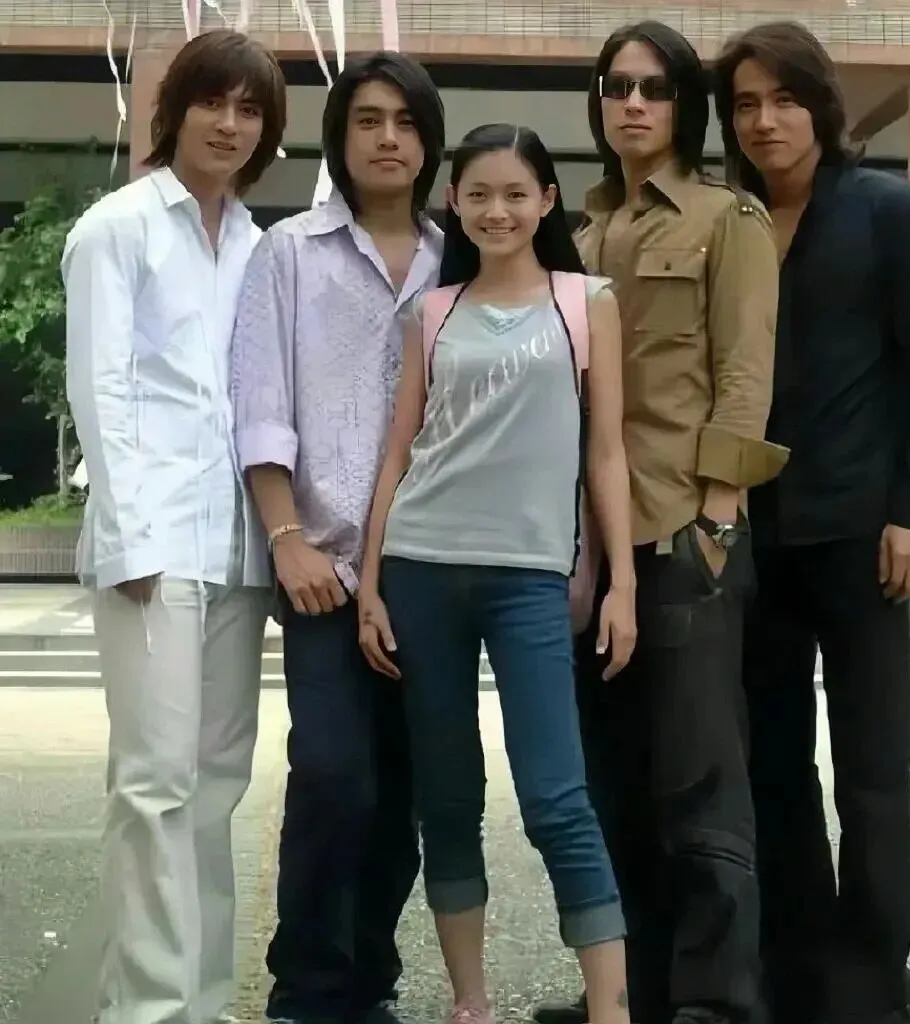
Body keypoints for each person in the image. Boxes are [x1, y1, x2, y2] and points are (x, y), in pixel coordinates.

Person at [533, 21, 787, 1024]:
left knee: (699, 787)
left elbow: (745, 374)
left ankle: (715, 1002)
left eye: (653, 88)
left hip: (684, 536)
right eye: (616, 88)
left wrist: (717, 518)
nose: (632, 104)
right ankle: (630, 993)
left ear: (685, 105)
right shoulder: (581, 231)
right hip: (588, 549)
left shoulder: (729, 219)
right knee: (610, 784)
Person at [356, 122, 637, 1024]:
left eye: (517, 193)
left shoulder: (586, 302)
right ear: (454, 203)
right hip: (422, 567)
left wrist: (621, 583)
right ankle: (470, 1004)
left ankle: (611, 1010)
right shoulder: (431, 313)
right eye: (478, 194)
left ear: (548, 200)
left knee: (558, 797)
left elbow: (606, 453)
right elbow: (398, 451)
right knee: (447, 799)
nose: (498, 210)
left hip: (530, 578)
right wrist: (370, 583)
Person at [711, 21, 910, 1024]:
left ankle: (871, 985)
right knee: (772, 766)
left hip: (864, 538)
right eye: (745, 104)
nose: (765, 121)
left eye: (784, 99)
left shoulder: (888, 209)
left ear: (820, 106)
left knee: (872, 772)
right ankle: (798, 967)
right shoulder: (729, 220)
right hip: (755, 539)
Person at [62, 29, 286, 1024]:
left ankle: (199, 1001)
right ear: (175, 110)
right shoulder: (117, 228)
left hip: (237, 547)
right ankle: (146, 1010)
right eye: (213, 102)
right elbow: (100, 389)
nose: (229, 124)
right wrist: (128, 537)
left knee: (216, 784)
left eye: (250, 110)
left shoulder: (256, 245)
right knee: (152, 785)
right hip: (153, 544)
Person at [230, 52, 445, 1024]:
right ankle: (308, 989)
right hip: (324, 567)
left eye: (405, 121)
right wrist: (285, 535)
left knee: (405, 789)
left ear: (428, 140)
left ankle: (369, 980)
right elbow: (261, 402)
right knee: (332, 774)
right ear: (339, 137)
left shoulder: (460, 259)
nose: (388, 138)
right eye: (368, 120)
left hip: (430, 576)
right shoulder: (289, 253)